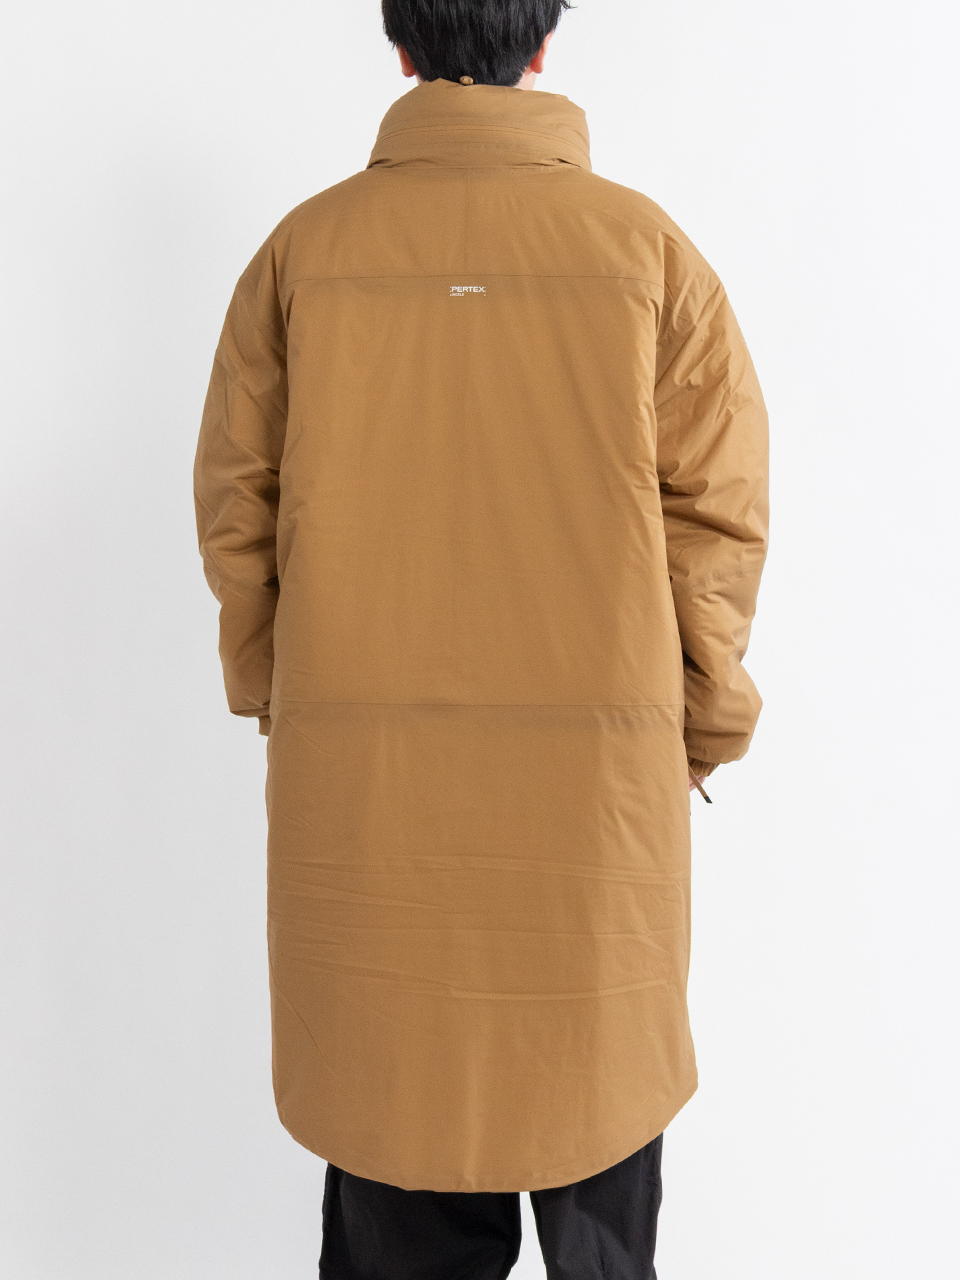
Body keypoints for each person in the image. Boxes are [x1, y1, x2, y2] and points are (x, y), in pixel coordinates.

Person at [192, 1, 769, 1275]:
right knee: (597, 1151)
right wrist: (706, 717)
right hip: (595, 812)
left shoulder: (304, 252)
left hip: (369, 804)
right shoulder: (647, 252)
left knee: (394, 1152)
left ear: (399, 43)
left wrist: (281, 691)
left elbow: (239, 507)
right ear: (543, 43)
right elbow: (719, 518)